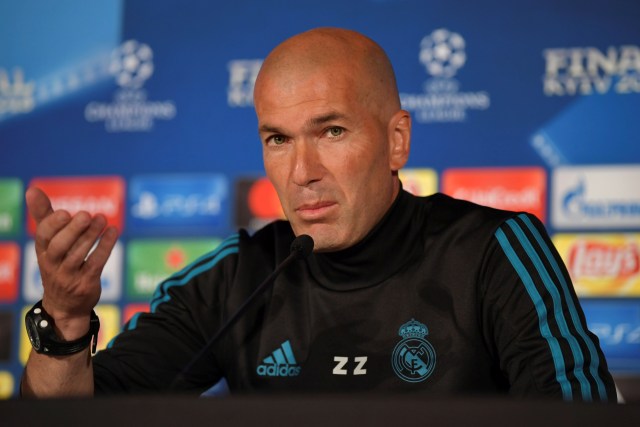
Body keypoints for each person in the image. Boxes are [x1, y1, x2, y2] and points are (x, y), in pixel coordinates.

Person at [21, 27, 617, 401]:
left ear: (397, 142)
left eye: (331, 130)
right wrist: (66, 322)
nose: (302, 171)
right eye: (278, 139)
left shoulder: (495, 250)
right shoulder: (237, 277)